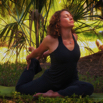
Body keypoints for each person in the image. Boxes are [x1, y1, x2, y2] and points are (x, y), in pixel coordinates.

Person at [16, 9, 94, 98]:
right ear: (58, 23)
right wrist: (28, 57)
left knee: (89, 87)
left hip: (71, 81)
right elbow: (38, 52)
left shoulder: (74, 37)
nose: (70, 17)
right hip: (51, 81)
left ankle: (54, 94)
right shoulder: (50, 39)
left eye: (70, 15)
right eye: (66, 16)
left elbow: (62, 51)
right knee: (20, 89)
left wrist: (46, 53)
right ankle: (34, 63)